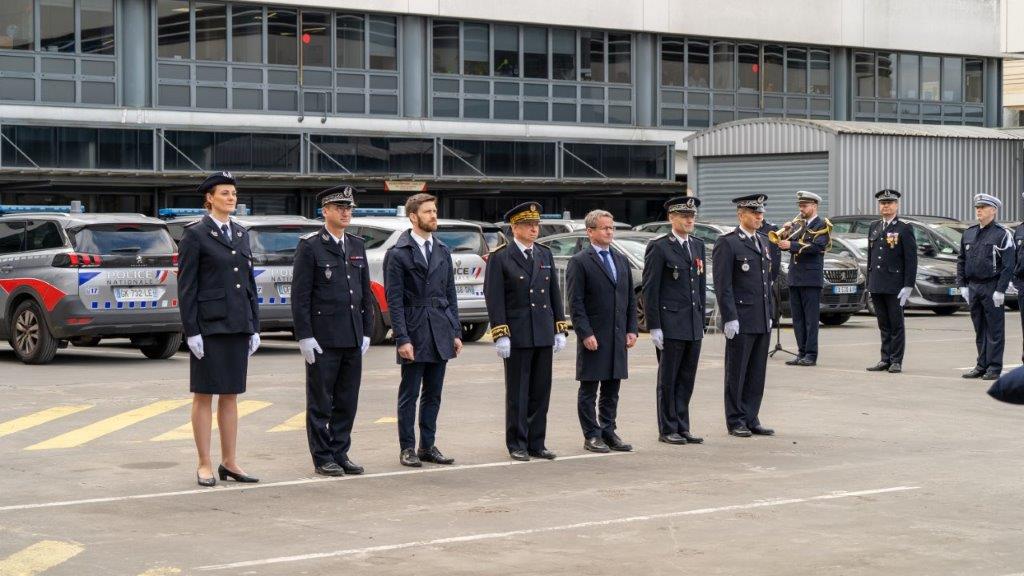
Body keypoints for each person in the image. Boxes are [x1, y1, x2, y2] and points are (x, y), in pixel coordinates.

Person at [177, 171, 261, 487]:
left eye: (234, 194)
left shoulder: (240, 234)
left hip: (237, 323)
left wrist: (254, 325)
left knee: (231, 395)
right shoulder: (196, 234)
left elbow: (249, 283)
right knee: (203, 396)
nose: (231, 198)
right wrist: (192, 330)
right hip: (209, 326)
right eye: (225, 193)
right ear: (210, 198)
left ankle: (230, 461)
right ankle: (204, 463)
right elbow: (187, 286)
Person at [291, 185, 373, 477]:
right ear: (325, 211)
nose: (346, 212)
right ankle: (323, 456)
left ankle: (341, 451)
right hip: (323, 338)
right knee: (321, 401)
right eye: (339, 208)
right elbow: (300, 296)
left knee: (347, 400)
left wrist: (366, 331)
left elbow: (364, 293)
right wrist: (304, 336)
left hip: (351, 335)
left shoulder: (356, 244)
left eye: (349, 208)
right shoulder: (311, 245)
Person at [484, 202, 568, 461]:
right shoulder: (501, 257)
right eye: (528, 225)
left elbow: (554, 292)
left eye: (536, 225)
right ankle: (517, 442)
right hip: (518, 332)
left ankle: (537, 442)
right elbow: (494, 297)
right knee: (518, 392)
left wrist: (559, 327)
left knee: (541, 390)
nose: (534, 229)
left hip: (542, 330)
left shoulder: (544, 254)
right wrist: (501, 333)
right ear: (515, 228)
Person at [384, 193, 462, 468]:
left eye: (435, 211)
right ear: (413, 217)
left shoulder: (442, 250)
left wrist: (455, 331)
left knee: (434, 393)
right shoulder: (398, 253)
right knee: (410, 393)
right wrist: (402, 338)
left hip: (440, 327)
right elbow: (394, 301)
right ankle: (407, 448)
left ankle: (428, 445)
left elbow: (450, 294)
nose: (433, 216)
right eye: (428, 212)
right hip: (415, 328)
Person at [566, 209, 638, 453]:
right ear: (590, 232)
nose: (609, 232)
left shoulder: (620, 260)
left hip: (617, 335)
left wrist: (632, 329)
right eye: (604, 228)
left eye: (611, 228)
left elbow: (628, 299)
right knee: (589, 389)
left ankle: (608, 430)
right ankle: (591, 435)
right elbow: (575, 303)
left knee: (612, 388)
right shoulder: (580, 261)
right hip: (594, 336)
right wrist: (585, 333)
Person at [644, 196, 707, 445]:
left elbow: (699, 285)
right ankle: (667, 427)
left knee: (686, 379)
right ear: (671, 218)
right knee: (668, 380)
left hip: (692, 323)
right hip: (670, 323)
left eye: (692, 216)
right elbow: (651, 289)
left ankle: (683, 425)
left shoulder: (697, 245)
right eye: (684, 216)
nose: (689, 220)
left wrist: (701, 317)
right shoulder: (660, 247)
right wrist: (655, 325)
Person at [712, 194, 775, 438]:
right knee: (737, 372)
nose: (760, 217)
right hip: (740, 318)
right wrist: (730, 317)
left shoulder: (763, 241)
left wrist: (769, 312)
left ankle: (751, 416)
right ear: (741, 215)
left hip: (760, 317)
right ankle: (736, 419)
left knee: (757, 371)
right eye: (754, 213)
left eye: (761, 213)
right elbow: (723, 284)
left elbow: (765, 282)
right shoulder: (728, 243)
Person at [958, 193, 1015, 381]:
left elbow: (1008, 265)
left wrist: (1000, 289)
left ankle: (994, 366)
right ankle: (981, 364)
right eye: (977, 208)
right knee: (979, 328)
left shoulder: (1002, 234)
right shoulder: (969, 232)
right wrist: (962, 285)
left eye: (983, 207)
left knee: (995, 329)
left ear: (994, 210)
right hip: (973, 286)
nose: (979, 211)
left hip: (991, 286)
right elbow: (961, 260)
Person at [776, 191, 832, 367]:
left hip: (810, 278)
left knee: (810, 319)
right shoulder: (797, 224)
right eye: (800, 206)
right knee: (798, 319)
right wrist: (785, 233)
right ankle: (801, 352)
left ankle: (811, 354)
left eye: (805, 206)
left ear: (814, 206)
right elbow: (783, 244)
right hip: (795, 277)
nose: (801, 209)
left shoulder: (822, 224)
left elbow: (816, 247)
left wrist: (791, 244)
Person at [865, 189, 917, 374]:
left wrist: (908, 285)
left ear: (896, 205)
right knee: (883, 324)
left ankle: (896, 360)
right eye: (882, 203)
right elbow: (872, 257)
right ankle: (884, 358)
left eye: (889, 203)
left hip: (895, 284)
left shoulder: (904, 227)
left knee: (896, 324)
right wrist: (869, 284)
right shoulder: (874, 226)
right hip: (878, 283)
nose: (885, 206)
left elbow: (911, 259)